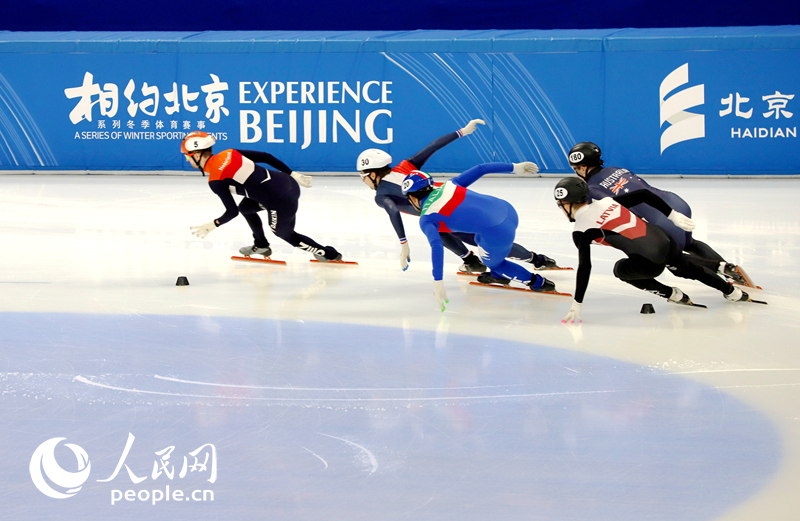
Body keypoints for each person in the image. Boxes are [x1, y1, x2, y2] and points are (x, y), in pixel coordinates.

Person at [356, 119, 559, 273]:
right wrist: (462, 131)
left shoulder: (381, 194)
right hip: (456, 194)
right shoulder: (405, 166)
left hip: (446, 214)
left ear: (373, 173)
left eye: (363, 176)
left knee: (469, 237)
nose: (363, 181)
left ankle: (474, 262)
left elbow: (392, 210)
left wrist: (403, 244)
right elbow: (433, 146)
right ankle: (537, 260)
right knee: (480, 236)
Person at [553, 177, 758, 324]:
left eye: (560, 205)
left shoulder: (581, 230)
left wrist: (577, 302)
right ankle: (732, 292)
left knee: (621, 269)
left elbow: (585, 266)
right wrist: (672, 216)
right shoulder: (607, 202)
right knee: (687, 268)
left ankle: (672, 294)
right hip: (663, 238)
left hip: (648, 262)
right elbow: (643, 195)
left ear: (567, 204)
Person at [566, 141, 747, 285]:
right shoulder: (617, 169)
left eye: (576, 169)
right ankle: (732, 272)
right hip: (674, 202)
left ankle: (723, 269)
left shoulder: (592, 188)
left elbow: (615, 211)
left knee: (676, 261)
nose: (576, 173)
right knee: (689, 243)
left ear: (582, 167)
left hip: (659, 218)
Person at [402, 164, 557, 311]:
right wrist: (516, 167)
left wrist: (438, 281)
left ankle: (539, 283)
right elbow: (481, 168)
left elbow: (436, 245)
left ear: (412, 197)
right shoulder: (450, 184)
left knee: (494, 262)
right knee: (481, 240)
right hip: (508, 211)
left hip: (497, 231)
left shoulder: (427, 218)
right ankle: (532, 262)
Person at [181, 131, 342, 261]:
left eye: (188, 157)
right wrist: (293, 174)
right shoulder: (229, 153)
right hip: (288, 182)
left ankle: (327, 253)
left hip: (281, 201)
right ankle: (261, 245)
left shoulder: (215, 180)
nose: (188, 160)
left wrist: (213, 224)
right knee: (246, 207)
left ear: (196, 155)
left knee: (284, 233)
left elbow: (231, 212)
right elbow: (266, 156)